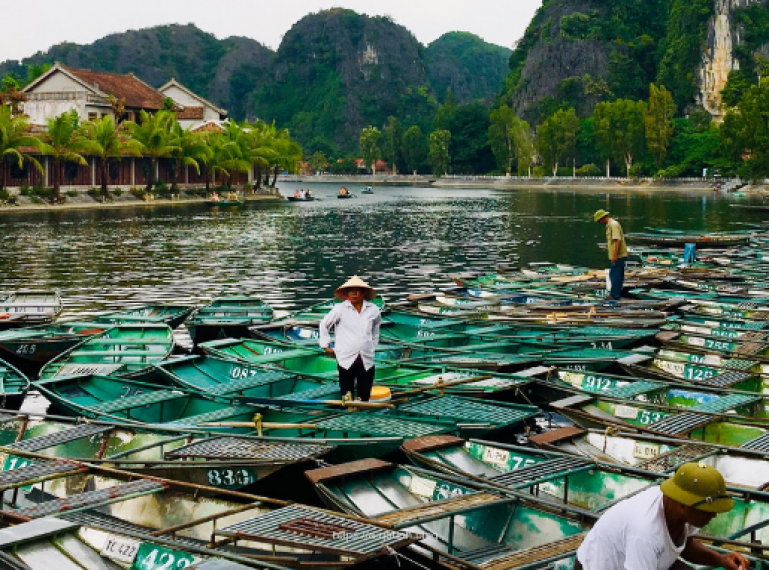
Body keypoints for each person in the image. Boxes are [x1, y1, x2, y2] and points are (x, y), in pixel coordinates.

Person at [576, 462, 750, 570]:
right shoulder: (645, 533)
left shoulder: (680, 508)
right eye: (708, 510)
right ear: (683, 504)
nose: (714, 515)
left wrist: (721, 559)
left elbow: (687, 545)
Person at [319, 276, 381, 401]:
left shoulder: (373, 310)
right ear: (346, 293)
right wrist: (326, 346)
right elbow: (324, 324)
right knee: (347, 394)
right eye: (351, 290)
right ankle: (348, 410)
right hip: (346, 358)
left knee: (364, 394)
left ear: (363, 293)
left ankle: (363, 411)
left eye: (358, 290)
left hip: (366, 358)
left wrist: (372, 346)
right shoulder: (340, 309)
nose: (355, 293)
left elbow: (375, 330)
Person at [594, 209, 627, 301]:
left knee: (616, 276)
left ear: (603, 218)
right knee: (614, 275)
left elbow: (618, 240)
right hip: (614, 256)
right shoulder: (610, 225)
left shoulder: (613, 225)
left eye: (599, 221)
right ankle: (615, 294)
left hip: (618, 256)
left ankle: (615, 296)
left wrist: (615, 255)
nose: (600, 223)